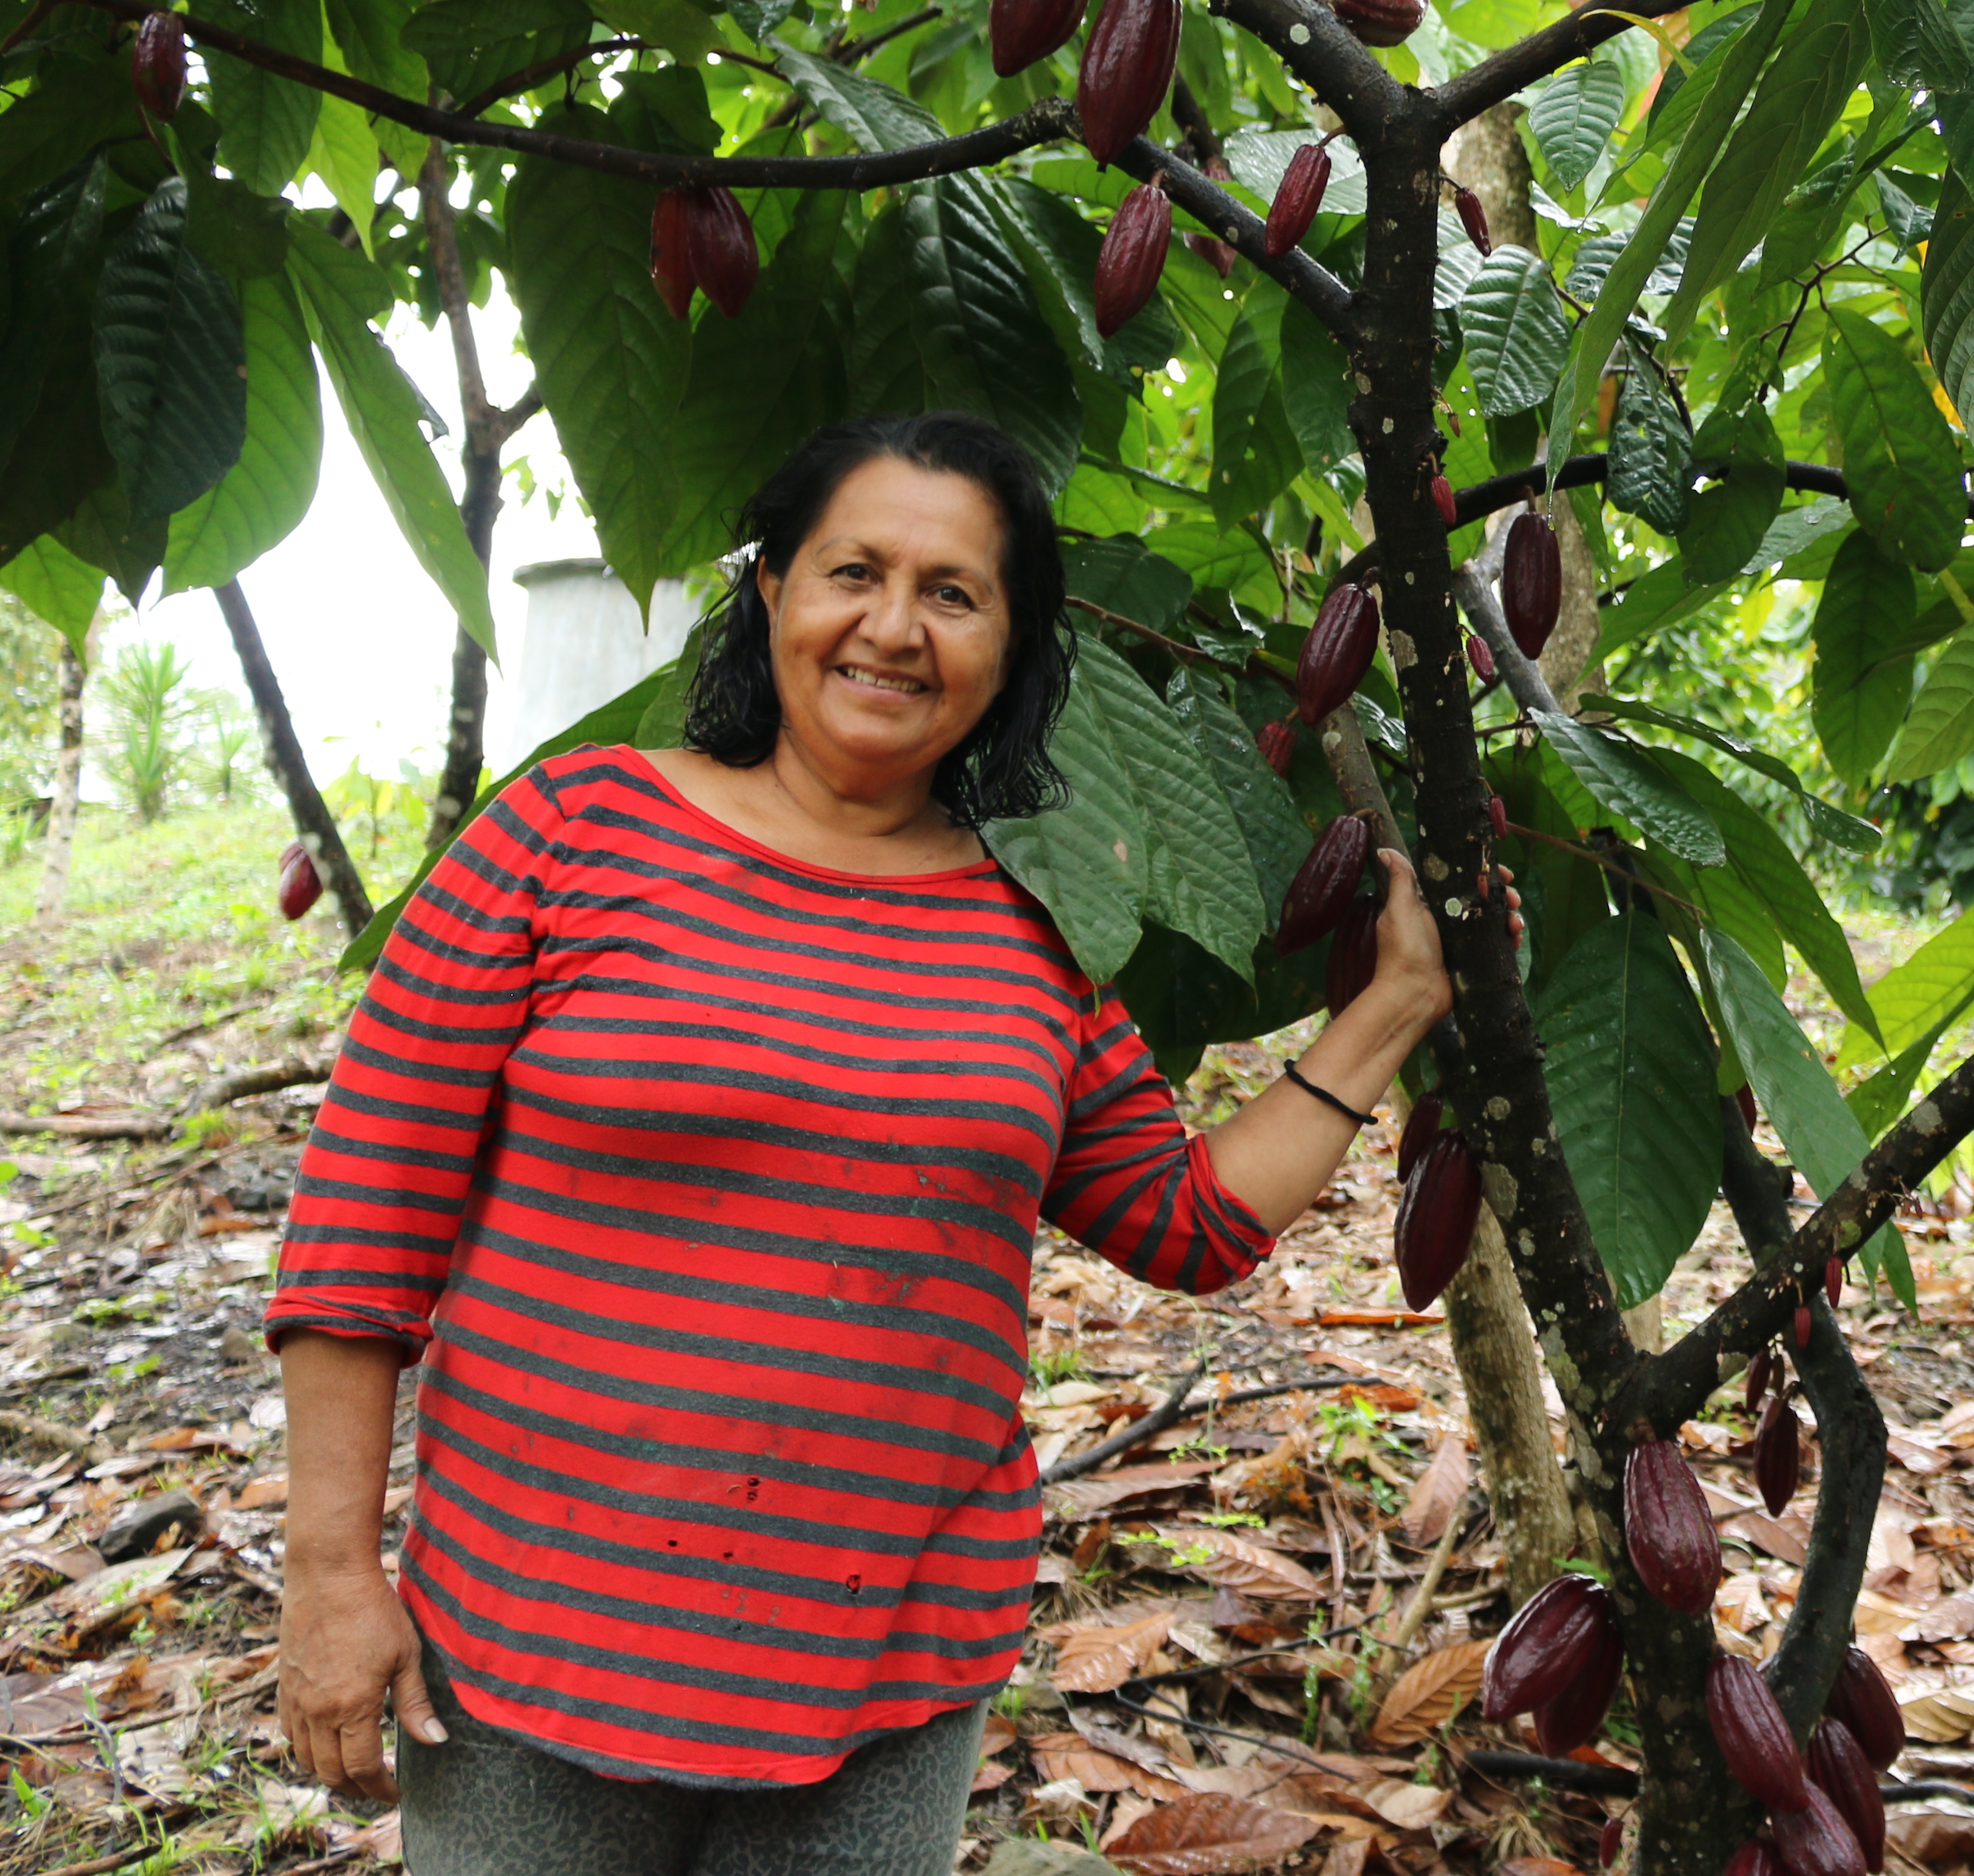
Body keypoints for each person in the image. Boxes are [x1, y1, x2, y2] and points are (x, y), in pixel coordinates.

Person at [264, 411, 1482, 1875]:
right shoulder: (566, 835)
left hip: (883, 1676)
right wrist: (333, 1576)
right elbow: (360, 1228)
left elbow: (1188, 1222)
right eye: (853, 572)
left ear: (1012, 647)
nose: (893, 629)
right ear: (771, 589)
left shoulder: (1036, 932)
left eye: (954, 594)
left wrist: (1394, 1004)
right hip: (532, 1654)